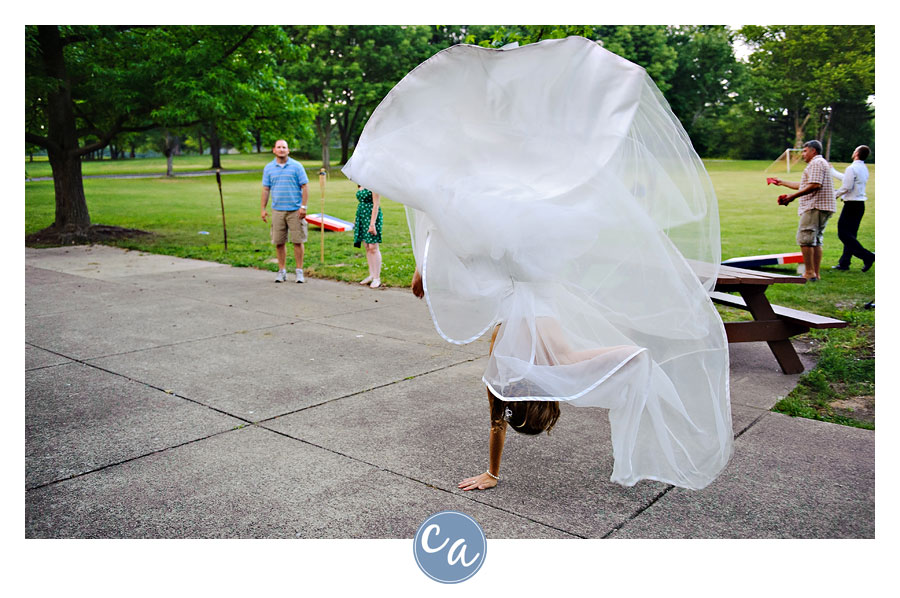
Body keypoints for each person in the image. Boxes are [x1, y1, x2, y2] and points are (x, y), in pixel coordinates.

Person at [344, 37, 733, 491]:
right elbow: (503, 414)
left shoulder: (525, 366)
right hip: (523, 257)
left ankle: (508, 95)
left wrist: (493, 473)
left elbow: (499, 418)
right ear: (530, 396)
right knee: (482, 180)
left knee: (474, 181)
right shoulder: (540, 359)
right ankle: (519, 94)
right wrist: (638, 359)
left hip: (518, 257)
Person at [771, 140, 836, 282]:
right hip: (822, 207)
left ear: (814, 151)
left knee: (805, 239)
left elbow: (814, 185)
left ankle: (809, 273)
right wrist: (782, 182)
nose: (802, 154)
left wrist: (791, 197)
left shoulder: (816, 163)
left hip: (815, 206)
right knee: (816, 241)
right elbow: (804, 185)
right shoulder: (821, 163)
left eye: (805, 151)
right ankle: (815, 274)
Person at [260, 139, 309, 283]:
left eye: (284, 147)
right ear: (274, 150)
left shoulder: (297, 167)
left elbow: (305, 187)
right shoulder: (268, 168)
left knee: (297, 241)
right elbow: (266, 189)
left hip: (295, 210)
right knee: (279, 242)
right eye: (279, 147)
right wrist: (263, 208)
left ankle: (299, 271)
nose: (281, 149)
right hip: (277, 211)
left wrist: (303, 207)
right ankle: (282, 271)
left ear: (288, 150)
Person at [830, 145, 874, 272]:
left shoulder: (851, 168)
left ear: (856, 153)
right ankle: (844, 263)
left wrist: (833, 195)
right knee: (851, 236)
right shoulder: (863, 168)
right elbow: (847, 180)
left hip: (851, 205)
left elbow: (846, 187)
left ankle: (868, 256)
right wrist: (832, 171)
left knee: (843, 234)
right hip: (859, 205)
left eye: (855, 150)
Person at [354, 185, 383, 288]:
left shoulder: (373, 184)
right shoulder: (360, 182)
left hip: (372, 217)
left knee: (373, 247)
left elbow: (376, 205)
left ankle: (376, 278)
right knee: (367, 246)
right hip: (362, 215)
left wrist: (372, 224)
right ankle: (371, 274)